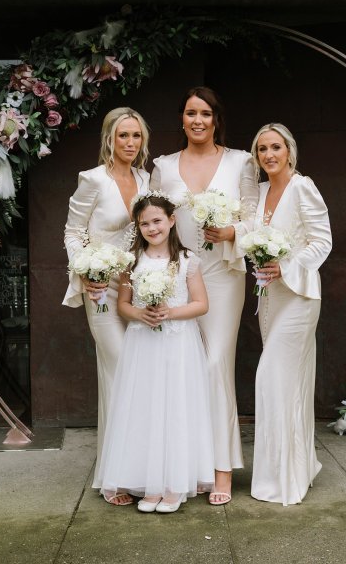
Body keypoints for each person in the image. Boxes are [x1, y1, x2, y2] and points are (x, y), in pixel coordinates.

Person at [150, 87, 259, 505]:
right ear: (181, 119)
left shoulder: (240, 162)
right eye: (191, 113)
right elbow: (152, 218)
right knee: (180, 369)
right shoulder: (162, 166)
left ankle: (222, 469)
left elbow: (254, 218)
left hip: (222, 274)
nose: (198, 120)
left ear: (216, 119)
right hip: (177, 275)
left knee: (215, 365)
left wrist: (233, 232)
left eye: (206, 114)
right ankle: (186, 465)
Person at [98, 192, 214, 512]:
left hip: (177, 342)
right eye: (144, 223)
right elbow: (122, 305)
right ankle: (149, 484)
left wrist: (169, 313)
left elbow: (201, 304)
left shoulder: (187, 260)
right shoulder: (131, 261)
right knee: (146, 407)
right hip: (143, 343)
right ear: (138, 226)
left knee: (175, 406)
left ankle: (173, 485)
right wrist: (141, 314)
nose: (152, 228)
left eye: (157, 221)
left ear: (171, 221)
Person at [62, 107, 150, 497]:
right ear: (109, 140)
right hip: (100, 287)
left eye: (136, 136)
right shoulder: (93, 180)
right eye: (123, 136)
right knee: (120, 369)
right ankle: (115, 478)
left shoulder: (146, 178)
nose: (130, 143)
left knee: (136, 374)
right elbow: (72, 231)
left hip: (137, 287)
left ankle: (139, 467)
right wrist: (83, 269)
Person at [249, 122, 332, 506]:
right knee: (284, 385)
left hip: (299, 296)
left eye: (275, 147)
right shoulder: (261, 190)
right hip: (270, 299)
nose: (269, 155)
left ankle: (284, 480)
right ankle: (295, 468)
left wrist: (287, 266)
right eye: (262, 148)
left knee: (272, 377)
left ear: (289, 151)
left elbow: (322, 241)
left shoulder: (303, 186)